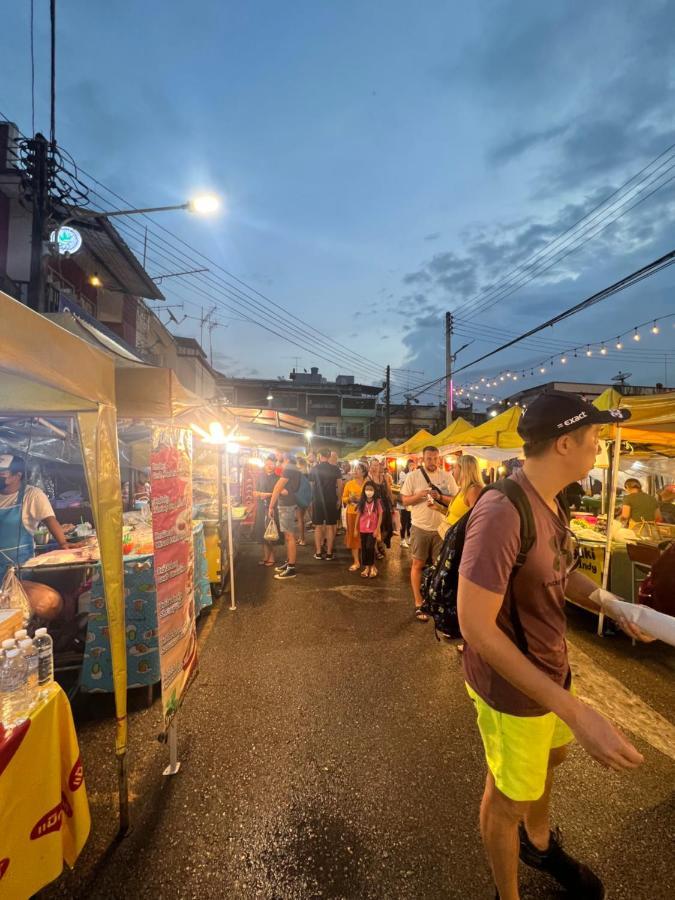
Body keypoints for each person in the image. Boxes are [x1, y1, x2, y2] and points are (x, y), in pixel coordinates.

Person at [456, 391, 652, 900]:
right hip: (513, 691)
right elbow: (475, 626)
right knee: (506, 797)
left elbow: (560, 574)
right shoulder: (501, 511)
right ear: (565, 443)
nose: (600, 452)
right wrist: (581, 713)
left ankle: (538, 844)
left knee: (548, 763)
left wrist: (612, 604)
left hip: (550, 674)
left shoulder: (551, 500)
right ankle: (508, 891)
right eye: (595, 440)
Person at [401, 446, 457, 620]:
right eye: (429, 458)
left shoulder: (447, 477)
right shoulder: (413, 476)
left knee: (438, 566)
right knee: (417, 564)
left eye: (435, 458)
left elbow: (455, 500)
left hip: (441, 528)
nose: (432, 462)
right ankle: (419, 603)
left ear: (439, 459)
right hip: (419, 527)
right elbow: (404, 500)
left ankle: (434, 599)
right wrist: (419, 496)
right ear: (422, 459)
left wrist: (440, 497)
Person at [0, 454, 68, 582]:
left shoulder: (32, 495)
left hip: (19, 568)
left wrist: (63, 543)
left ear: (17, 475)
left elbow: (49, 520)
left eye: (2, 473)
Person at [268, 454, 302, 580]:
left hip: (286, 505)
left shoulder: (289, 469)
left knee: (290, 536)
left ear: (286, 460)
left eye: (280, 461)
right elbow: (288, 488)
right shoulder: (295, 469)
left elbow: (277, 488)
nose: (279, 463)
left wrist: (270, 506)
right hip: (289, 504)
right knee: (288, 536)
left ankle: (291, 568)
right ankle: (289, 562)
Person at [309, 449, 343, 560]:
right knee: (330, 526)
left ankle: (318, 552)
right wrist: (339, 499)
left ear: (319, 456)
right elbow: (340, 485)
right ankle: (329, 553)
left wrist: (312, 499)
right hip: (331, 500)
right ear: (329, 456)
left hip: (318, 500)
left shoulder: (314, 469)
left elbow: (311, 485)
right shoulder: (335, 469)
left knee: (318, 526)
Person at [252, 455, 279, 567]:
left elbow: (279, 493)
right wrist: (259, 494)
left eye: (271, 463)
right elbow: (254, 492)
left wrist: (266, 494)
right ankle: (265, 556)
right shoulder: (260, 476)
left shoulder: (278, 478)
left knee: (270, 533)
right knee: (262, 531)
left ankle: (272, 557)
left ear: (275, 465)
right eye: (267, 463)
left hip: (271, 508)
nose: (269, 466)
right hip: (260, 507)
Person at [352, 480, 382, 578]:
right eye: (367, 489)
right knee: (364, 548)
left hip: (372, 530)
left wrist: (377, 529)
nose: (368, 491)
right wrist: (356, 529)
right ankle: (366, 567)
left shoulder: (377, 502)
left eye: (371, 489)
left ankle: (373, 567)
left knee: (370, 547)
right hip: (363, 529)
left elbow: (380, 515)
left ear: (374, 491)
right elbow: (358, 515)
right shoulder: (362, 502)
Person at [342, 462, 368, 571]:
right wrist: (349, 499)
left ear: (363, 472)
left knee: (366, 537)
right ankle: (356, 561)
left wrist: (361, 500)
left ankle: (367, 561)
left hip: (367, 514)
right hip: (352, 513)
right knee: (353, 536)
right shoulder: (349, 484)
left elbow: (374, 498)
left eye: (358, 469)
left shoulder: (368, 484)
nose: (355, 471)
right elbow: (343, 498)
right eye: (355, 468)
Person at [446, 454, 484, 527]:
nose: (452, 472)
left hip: (461, 537)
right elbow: (457, 514)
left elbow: (477, 522)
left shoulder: (474, 490)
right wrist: (438, 507)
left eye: (454, 468)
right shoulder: (464, 488)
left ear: (463, 469)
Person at [368, 458, 395, 557]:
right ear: (370, 467)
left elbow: (389, 491)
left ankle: (380, 543)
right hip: (374, 506)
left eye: (377, 465)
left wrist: (392, 504)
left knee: (386, 527)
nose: (375, 467)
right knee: (376, 528)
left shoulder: (384, 477)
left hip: (385, 505)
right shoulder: (368, 478)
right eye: (373, 465)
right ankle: (375, 549)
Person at [397, 459, 416, 548]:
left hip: (411, 499)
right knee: (403, 520)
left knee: (410, 520)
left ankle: (409, 537)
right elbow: (405, 483)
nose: (412, 466)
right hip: (404, 499)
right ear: (407, 465)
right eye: (410, 464)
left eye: (413, 464)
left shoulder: (414, 473)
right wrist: (410, 472)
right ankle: (402, 539)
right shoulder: (402, 473)